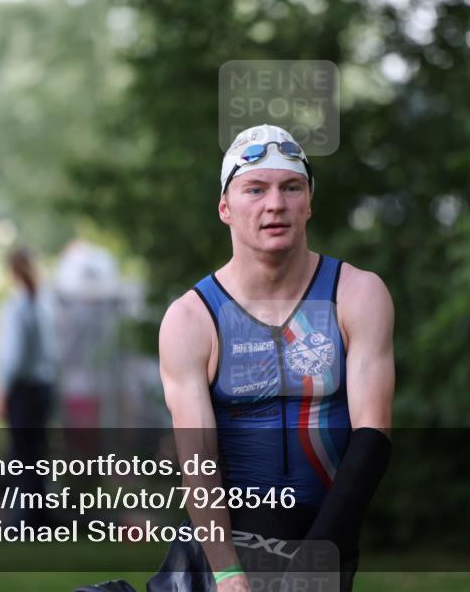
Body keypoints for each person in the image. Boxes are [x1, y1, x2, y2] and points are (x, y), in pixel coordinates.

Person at [154, 124, 395, 591]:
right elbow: (197, 459)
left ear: (309, 202)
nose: (275, 204)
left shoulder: (357, 294)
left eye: (291, 187)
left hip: (324, 537)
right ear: (225, 207)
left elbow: (373, 433)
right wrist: (227, 574)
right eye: (255, 189)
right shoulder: (191, 319)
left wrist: (320, 555)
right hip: (219, 550)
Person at [0, 246, 58, 526]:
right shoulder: (42, 303)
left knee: (21, 456)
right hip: (43, 387)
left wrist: (2, 389)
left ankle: (22, 518)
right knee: (36, 455)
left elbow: (13, 356)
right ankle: (39, 515)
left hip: (23, 389)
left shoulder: (17, 305)